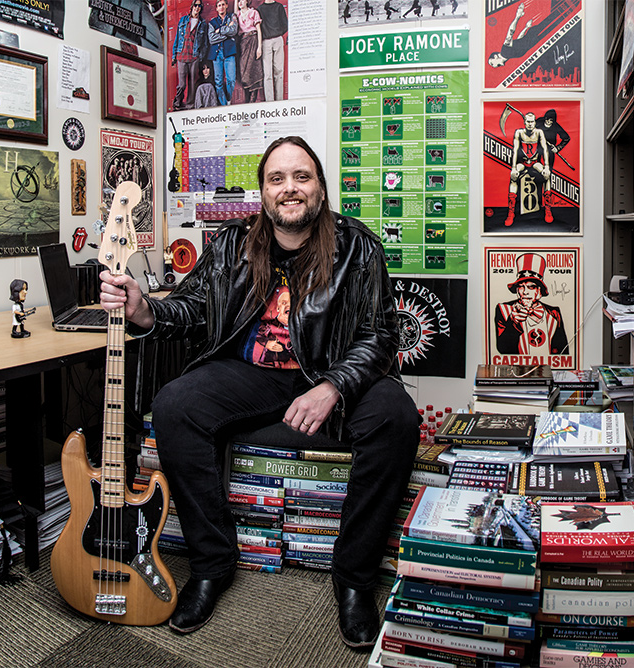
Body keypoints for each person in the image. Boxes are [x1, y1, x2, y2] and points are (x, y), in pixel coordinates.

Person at [100, 136, 418, 648]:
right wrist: (144, 311)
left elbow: (380, 334)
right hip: (253, 372)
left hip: (330, 370)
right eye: (277, 179)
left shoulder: (358, 246)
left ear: (319, 187)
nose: (289, 188)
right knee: (174, 405)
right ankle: (212, 564)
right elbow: (192, 308)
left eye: (301, 177)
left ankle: (354, 579)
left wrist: (334, 386)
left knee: (396, 418)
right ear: (263, 193)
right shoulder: (230, 244)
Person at [494, 253, 568, 358]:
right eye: (521, 286)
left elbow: (563, 351)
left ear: (539, 291)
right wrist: (513, 324)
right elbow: (503, 349)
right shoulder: (504, 309)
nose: (525, 292)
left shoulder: (554, 313)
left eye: (531, 287)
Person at [488, 1, 569, 69]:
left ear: (495, 56)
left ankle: (568, 6)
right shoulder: (508, 55)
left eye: (492, 63)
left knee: (556, 18)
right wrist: (526, 28)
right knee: (556, 19)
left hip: (535, 34)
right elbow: (519, 40)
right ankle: (568, 7)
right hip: (535, 35)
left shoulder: (505, 52)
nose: (494, 66)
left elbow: (510, 33)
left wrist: (517, 16)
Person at [505, 111, 552, 226]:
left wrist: (546, 167)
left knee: (547, 177)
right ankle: (511, 213)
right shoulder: (519, 133)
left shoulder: (539, 132)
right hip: (523, 162)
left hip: (536, 162)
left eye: (532, 122)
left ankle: (548, 210)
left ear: (535, 122)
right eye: (528, 122)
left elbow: (545, 149)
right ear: (524, 122)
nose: (530, 124)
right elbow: (515, 150)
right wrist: (514, 168)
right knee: (513, 178)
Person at [172, 1, 209, 110]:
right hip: (182, 55)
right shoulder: (183, 20)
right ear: (192, 7)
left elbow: (205, 43)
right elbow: (177, 39)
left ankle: (190, 105)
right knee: (182, 84)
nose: (197, 8)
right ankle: (177, 103)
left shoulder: (202, 24)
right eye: (195, 5)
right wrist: (174, 55)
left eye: (199, 6)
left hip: (194, 56)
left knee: (192, 84)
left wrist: (200, 57)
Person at [207, 0, 239, 106]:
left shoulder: (232, 17)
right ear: (216, 8)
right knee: (218, 81)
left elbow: (234, 31)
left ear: (226, 6)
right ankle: (224, 105)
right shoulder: (212, 22)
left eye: (223, 5)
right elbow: (211, 39)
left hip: (229, 53)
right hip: (216, 54)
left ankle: (228, 99)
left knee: (231, 79)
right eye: (219, 5)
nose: (221, 7)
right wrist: (227, 32)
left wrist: (219, 31)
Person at [257, 0, 287, 102]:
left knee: (279, 71)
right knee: (268, 74)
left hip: (278, 39)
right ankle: (269, 102)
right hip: (266, 42)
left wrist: (277, 33)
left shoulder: (279, 7)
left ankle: (279, 100)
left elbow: (285, 25)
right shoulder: (260, 9)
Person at [235, 0, 263, 103]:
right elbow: (235, 11)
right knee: (243, 73)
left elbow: (259, 30)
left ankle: (252, 100)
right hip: (242, 42)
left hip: (253, 40)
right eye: (238, 1)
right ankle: (247, 99)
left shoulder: (253, 12)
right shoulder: (237, 14)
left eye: (242, 0)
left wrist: (259, 47)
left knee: (253, 69)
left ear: (247, 1)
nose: (240, 2)